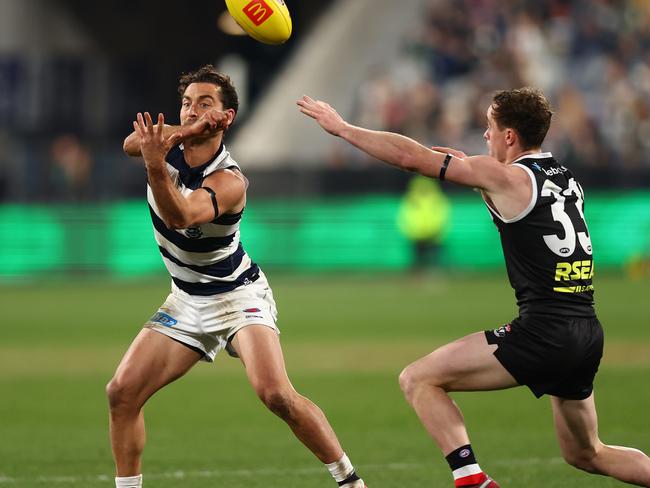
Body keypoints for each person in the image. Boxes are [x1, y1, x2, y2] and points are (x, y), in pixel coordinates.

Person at [297, 88, 650, 488]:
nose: (486, 135)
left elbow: (411, 158)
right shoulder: (566, 178)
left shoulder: (504, 175)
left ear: (510, 137)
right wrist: (470, 169)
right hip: (586, 331)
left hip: (545, 333)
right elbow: (519, 203)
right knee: (587, 453)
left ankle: (472, 480)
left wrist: (342, 129)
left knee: (419, 379)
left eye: (490, 127)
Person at [107, 65, 367, 488]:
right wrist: (181, 133)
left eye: (204, 104)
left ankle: (351, 481)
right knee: (121, 393)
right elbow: (131, 142)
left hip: (237, 294)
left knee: (276, 395)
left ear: (226, 118)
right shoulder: (169, 144)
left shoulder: (231, 180)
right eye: (186, 103)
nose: (191, 110)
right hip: (186, 297)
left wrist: (158, 165)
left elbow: (181, 217)